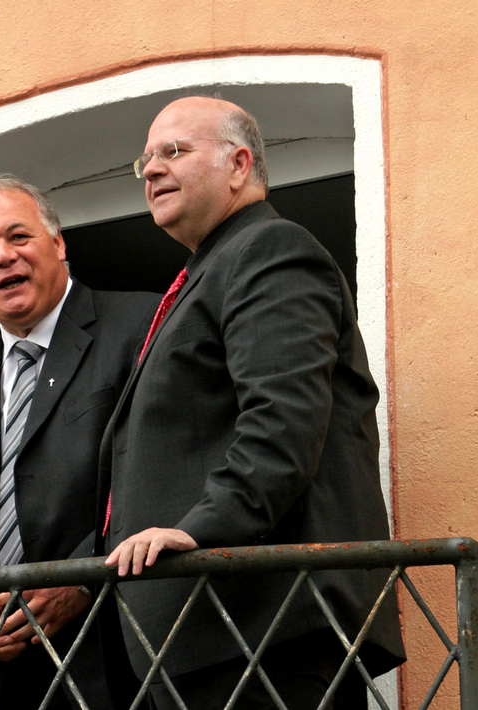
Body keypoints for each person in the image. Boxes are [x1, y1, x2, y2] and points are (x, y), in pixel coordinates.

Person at [101, 97, 405, 709]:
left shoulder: (269, 250)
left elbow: (281, 424)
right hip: (203, 633)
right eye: (146, 160)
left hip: (260, 627)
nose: (152, 169)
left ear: (239, 165)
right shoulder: (210, 270)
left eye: (174, 152)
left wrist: (197, 531)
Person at [0, 176, 158, 709]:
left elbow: (157, 477)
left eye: (19, 237)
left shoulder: (141, 324)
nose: (2, 257)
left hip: (122, 654)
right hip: (9, 676)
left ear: (58, 244)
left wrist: (80, 583)